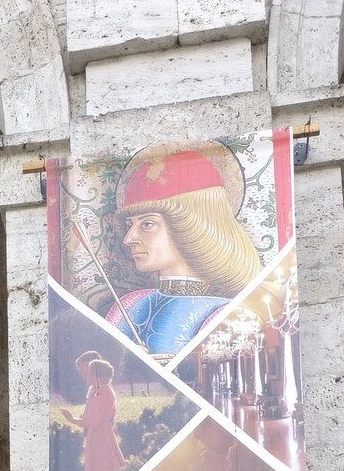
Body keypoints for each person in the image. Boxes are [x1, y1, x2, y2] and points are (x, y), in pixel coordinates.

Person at [102, 147, 263, 359]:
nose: (128, 239)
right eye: (130, 224)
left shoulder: (233, 317)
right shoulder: (128, 306)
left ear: (191, 225)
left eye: (147, 224)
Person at [67, 352, 128, 471]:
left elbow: (93, 420)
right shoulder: (97, 390)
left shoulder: (103, 391)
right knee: (98, 469)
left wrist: (72, 419)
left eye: (87, 371)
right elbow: (92, 414)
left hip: (101, 437)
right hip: (97, 435)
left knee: (105, 468)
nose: (84, 375)